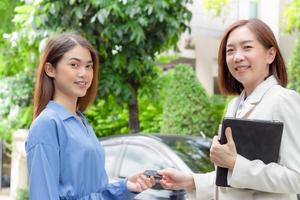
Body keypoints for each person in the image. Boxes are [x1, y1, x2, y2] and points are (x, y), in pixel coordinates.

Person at [158, 18, 300, 200]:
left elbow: (296, 177)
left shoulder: (283, 100)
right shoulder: (234, 105)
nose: (237, 57)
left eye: (247, 47)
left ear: (270, 54)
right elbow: (230, 182)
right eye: (230, 50)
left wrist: (235, 163)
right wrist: (191, 181)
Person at [25, 33, 155, 199]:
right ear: (50, 69)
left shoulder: (82, 122)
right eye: (74, 65)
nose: (84, 74)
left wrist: (126, 187)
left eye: (89, 66)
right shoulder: (47, 124)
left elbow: (95, 193)